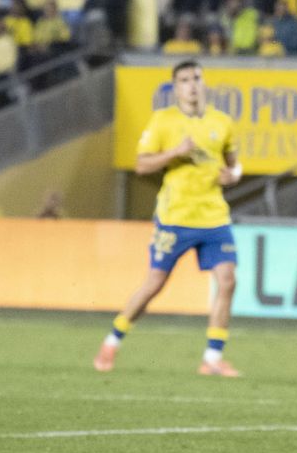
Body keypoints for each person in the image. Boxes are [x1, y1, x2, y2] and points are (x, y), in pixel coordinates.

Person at [95, 61, 244, 377]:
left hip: (214, 216)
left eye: (197, 79)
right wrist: (176, 152)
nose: (192, 85)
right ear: (175, 88)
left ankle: (212, 359)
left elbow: (235, 163)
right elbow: (142, 165)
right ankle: (112, 340)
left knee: (228, 281)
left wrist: (234, 176)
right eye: (185, 80)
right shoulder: (163, 121)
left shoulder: (222, 122)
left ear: (204, 83)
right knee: (154, 285)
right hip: (175, 217)